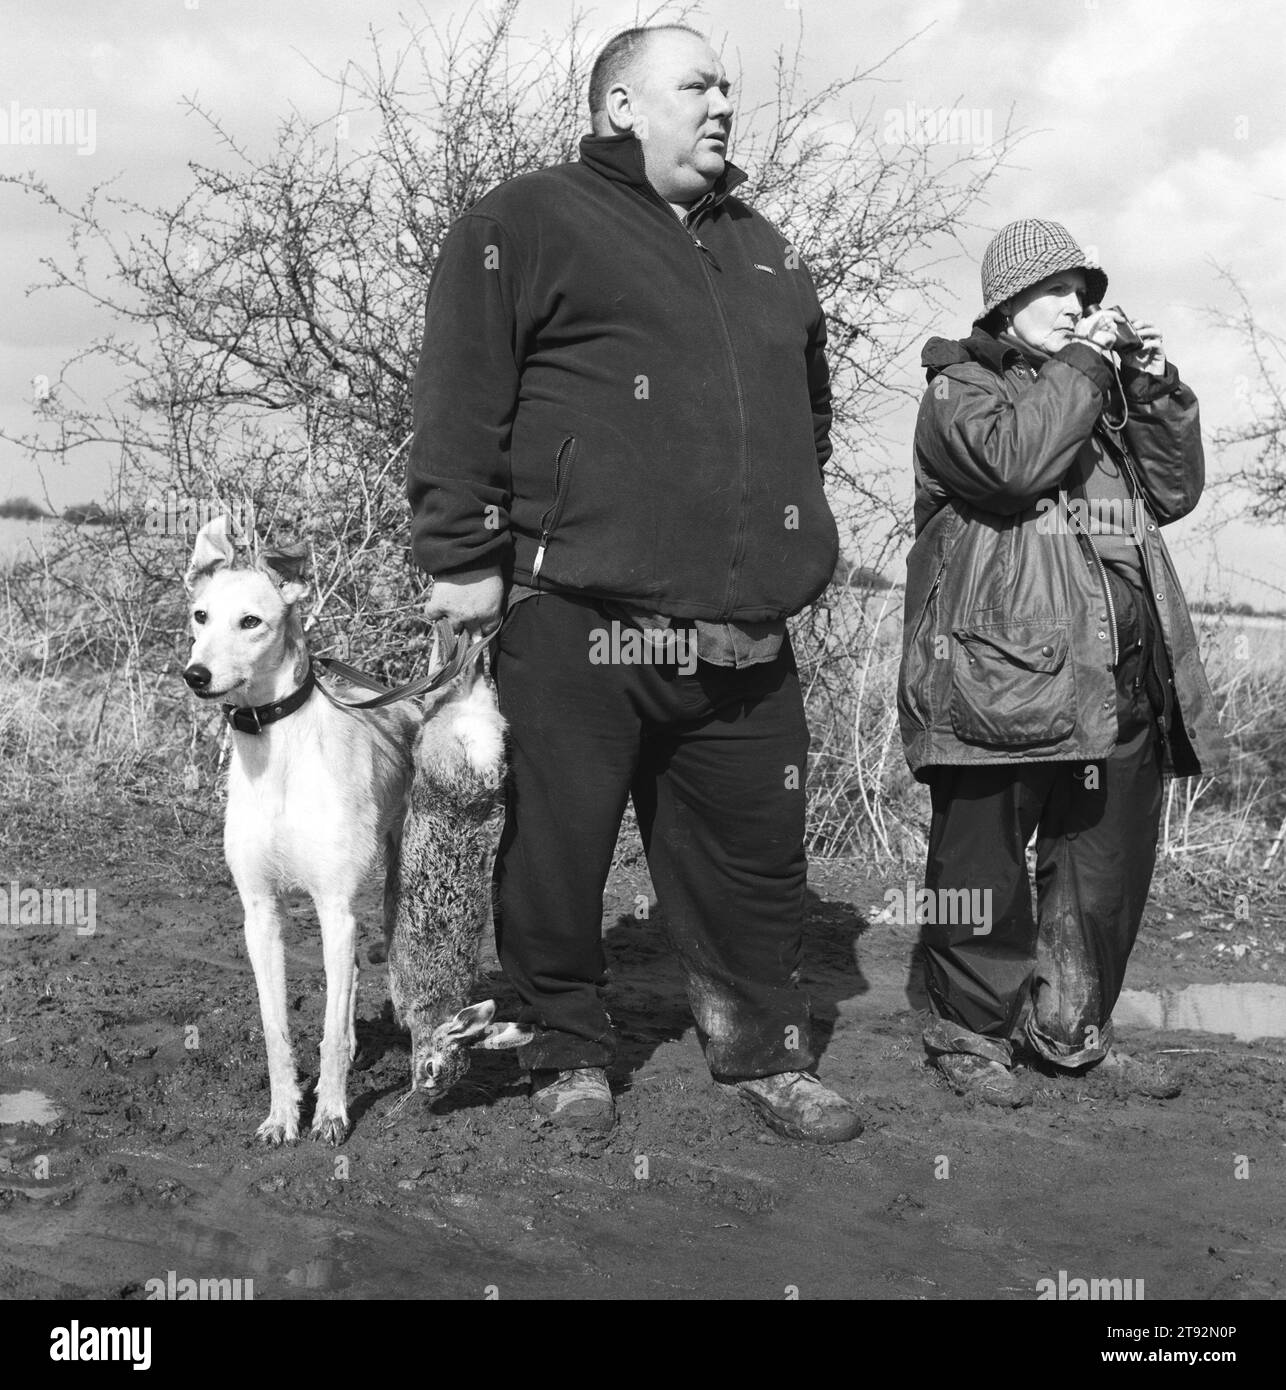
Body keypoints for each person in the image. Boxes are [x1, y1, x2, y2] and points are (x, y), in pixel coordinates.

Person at [406, 24, 862, 1142]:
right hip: (580, 618)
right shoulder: (523, 222)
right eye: (695, 84)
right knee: (553, 856)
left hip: (743, 633)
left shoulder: (763, 246)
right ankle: (567, 1051)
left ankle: (760, 1053)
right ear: (619, 105)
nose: (720, 104)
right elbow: (461, 397)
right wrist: (463, 558)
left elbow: (810, 410)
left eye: (726, 86)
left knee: (756, 862)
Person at [897, 218, 1227, 1105]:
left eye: (1087, 293)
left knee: (1102, 868)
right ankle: (969, 1036)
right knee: (981, 870)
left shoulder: (1091, 393)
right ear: (1006, 299)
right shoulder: (958, 388)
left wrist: (1152, 389)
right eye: (1059, 291)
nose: (1080, 306)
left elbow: (1170, 492)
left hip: (1118, 684)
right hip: (997, 676)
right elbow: (1011, 468)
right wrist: (1088, 370)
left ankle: (1070, 1028)